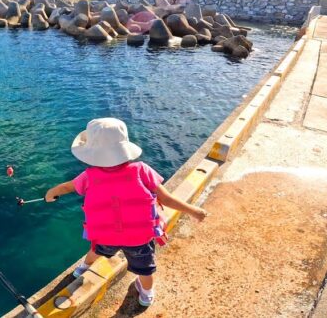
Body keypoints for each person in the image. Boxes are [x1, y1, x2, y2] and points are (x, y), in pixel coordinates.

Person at [45, 118, 208, 307]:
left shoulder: (88, 176)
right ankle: (146, 295)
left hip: (106, 236)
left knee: (95, 250)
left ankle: (82, 269)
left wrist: (51, 194)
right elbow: (166, 199)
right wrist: (194, 211)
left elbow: (66, 188)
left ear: (92, 153)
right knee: (145, 270)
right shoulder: (142, 170)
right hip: (139, 238)